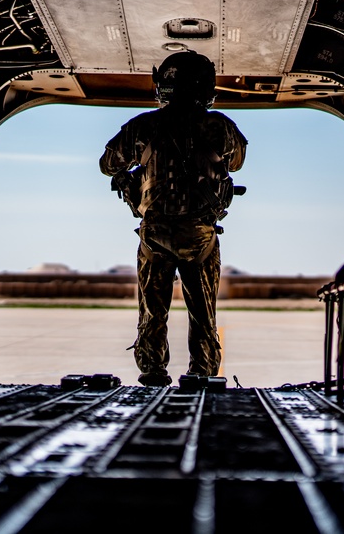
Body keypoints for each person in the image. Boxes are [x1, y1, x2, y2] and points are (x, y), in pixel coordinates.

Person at [100, 51, 247, 387]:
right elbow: (236, 162)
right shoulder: (220, 127)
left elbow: (108, 164)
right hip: (200, 236)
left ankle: (152, 370)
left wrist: (132, 174)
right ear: (206, 88)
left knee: (153, 311)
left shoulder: (143, 126)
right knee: (203, 313)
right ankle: (203, 372)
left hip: (155, 235)